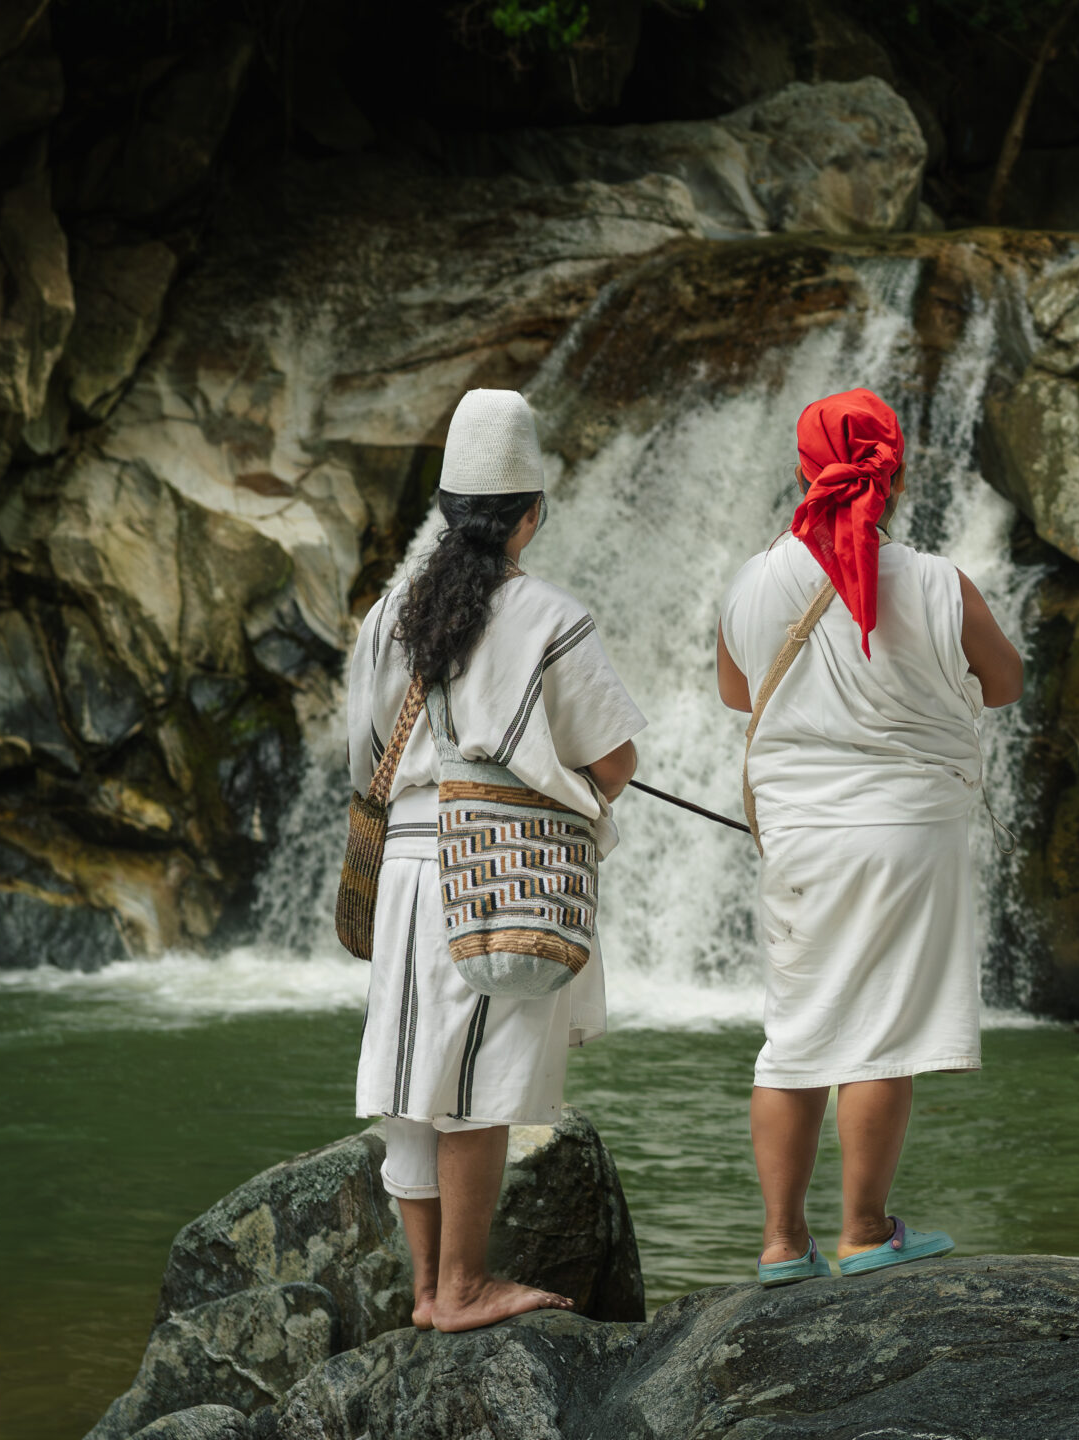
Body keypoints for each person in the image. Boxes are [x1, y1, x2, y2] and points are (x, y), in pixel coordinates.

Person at [345, 388, 646, 1329]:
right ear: (528, 518)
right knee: (476, 1074)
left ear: (446, 514)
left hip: (403, 865)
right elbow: (616, 761)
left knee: (414, 1068)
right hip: (500, 866)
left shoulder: (389, 613)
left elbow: (363, 760)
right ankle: (468, 1285)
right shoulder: (550, 616)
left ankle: (432, 1287)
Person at [715, 388, 1024, 1284]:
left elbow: (739, 696)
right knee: (880, 1031)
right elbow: (1002, 684)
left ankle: (781, 1244)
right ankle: (863, 1231)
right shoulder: (935, 580)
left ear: (806, 468)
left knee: (797, 1030)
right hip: (908, 834)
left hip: (801, 835)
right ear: (891, 471)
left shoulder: (752, 580)